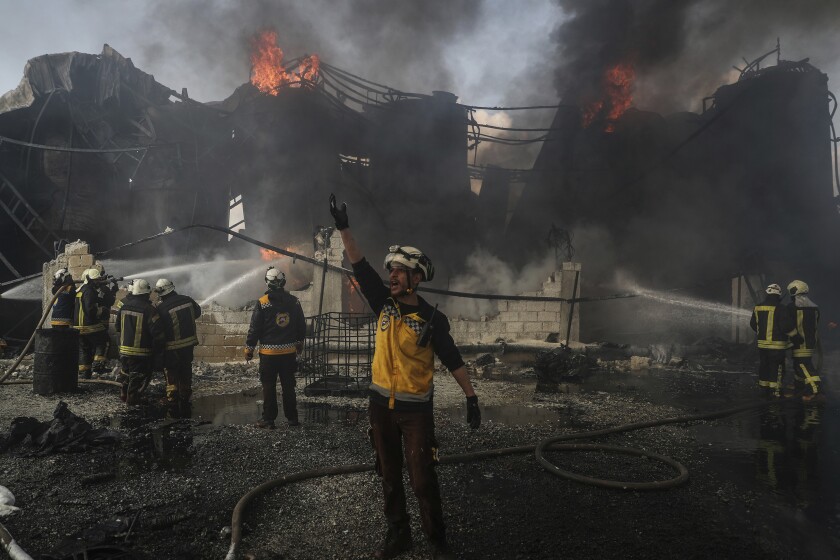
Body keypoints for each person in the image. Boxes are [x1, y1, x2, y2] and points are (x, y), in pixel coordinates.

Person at [329, 194, 481, 560]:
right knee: (389, 474)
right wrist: (344, 227)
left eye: (400, 270)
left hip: (416, 412)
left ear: (417, 278)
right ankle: (399, 534)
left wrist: (471, 397)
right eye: (392, 270)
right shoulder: (383, 303)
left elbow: (452, 359)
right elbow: (360, 265)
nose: (392, 275)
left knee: (422, 477)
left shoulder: (432, 320)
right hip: (380, 406)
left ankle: (436, 537)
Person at [245, 266, 306, 429]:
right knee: (289, 386)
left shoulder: (262, 302)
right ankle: (292, 419)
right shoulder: (294, 301)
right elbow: (301, 324)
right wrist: (299, 342)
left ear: (267, 283)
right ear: (283, 282)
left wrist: (249, 348)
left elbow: (255, 328)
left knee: (268, 386)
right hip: (288, 353)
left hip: (268, 355)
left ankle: (268, 419)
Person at [154, 278, 202, 416]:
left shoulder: (161, 308)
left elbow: (159, 329)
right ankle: (185, 395)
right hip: (189, 344)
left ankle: (172, 400)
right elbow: (197, 313)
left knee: (171, 372)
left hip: (172, 347)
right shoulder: (188, 299)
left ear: (162, 293)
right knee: (186, 368)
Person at [114, 279, 165, 405]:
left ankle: (123, 392)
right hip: (140, 351)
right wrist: (159, 348)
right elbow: (157, 332)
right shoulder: (149, 309)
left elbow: (117, 327)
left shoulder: (124, 307)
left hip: (124, 349)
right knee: (137, 374)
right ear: (145, 293)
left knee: (126, 371)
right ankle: (132, 398)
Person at [749, 283, 795, 398]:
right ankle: (775, 391)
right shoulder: (781, 308)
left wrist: (762, 334)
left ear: (767, 293)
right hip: (777, 346)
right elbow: (786, 327)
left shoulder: (758, 307)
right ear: (778, 294)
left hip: (762, 345)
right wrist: (796, 336)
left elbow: (753, 324)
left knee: (764, 366)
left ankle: (764, 390)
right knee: (777, 368)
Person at [785, 280, 821, 401]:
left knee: (803, 365)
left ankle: (816, 392)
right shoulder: (815, 308)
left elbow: (787, 324)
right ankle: (799, 389)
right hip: (810, 342)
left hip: (799, 343)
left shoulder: (791, 307)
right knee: (798, 365)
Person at [73, 268, 109, 379]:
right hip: (89, 325)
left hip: (78, 326)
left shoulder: (81, 289)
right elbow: (89, 309)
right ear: (89, 279)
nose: (98, 282)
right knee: (104, 340)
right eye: (96, 280)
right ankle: (98, 365)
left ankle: (85, 373)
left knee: (85, 349)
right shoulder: (89, 291)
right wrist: (102, 311)